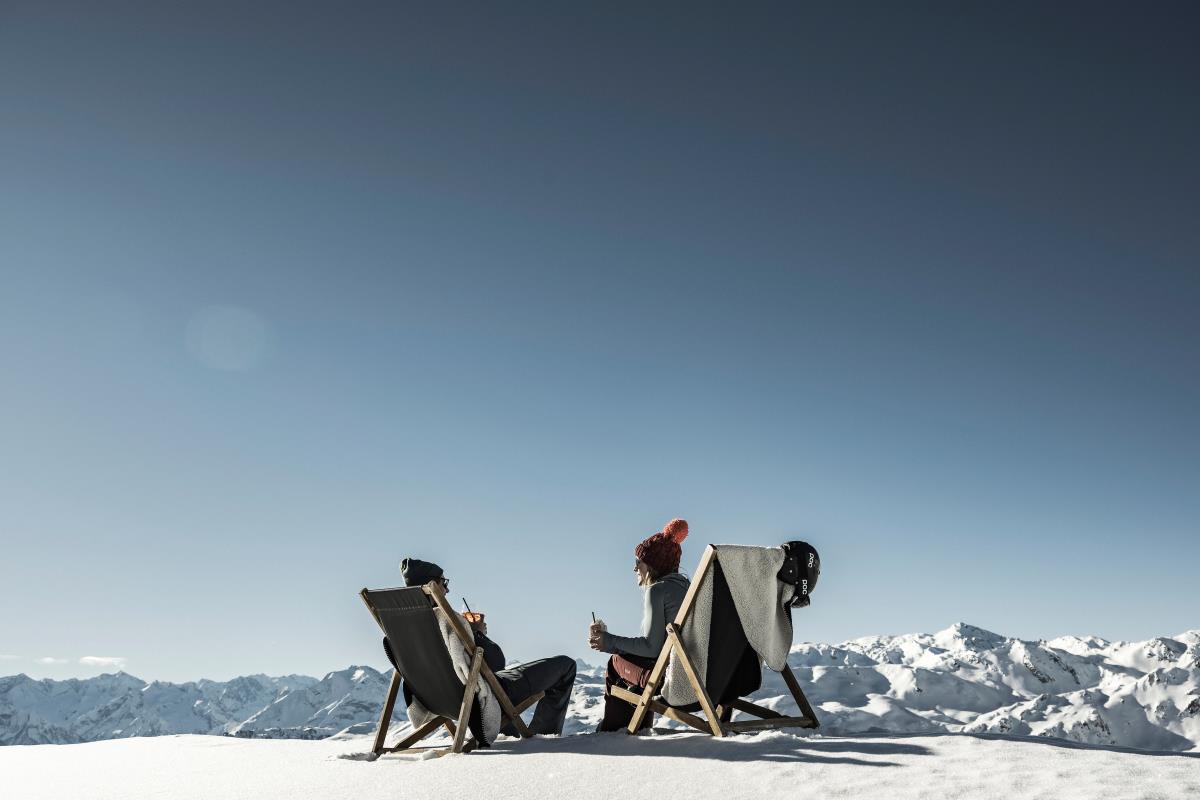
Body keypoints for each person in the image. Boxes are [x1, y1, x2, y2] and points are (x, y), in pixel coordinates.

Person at [382, 557, 577, 737]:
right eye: (444, 583)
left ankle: (509, 732)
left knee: (501, 682)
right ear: (431, 585)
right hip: (475, 698)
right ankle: (545, 736)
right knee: (565, 666)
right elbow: (496, 662)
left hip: (438, 701)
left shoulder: (401, 630)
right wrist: (476, 633)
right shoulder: (447, 621)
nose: (447, 590)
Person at [588, 518, 691, 732]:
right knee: (633, 661)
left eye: (639, 562)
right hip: (698, 676)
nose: (635, 568)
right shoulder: (688, 589)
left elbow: (651, 648)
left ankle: (613, 732)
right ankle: (634, 728)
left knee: (616, 662)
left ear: (653, 565)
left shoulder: (657, 590)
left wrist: (609, 642)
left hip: (673, 680)